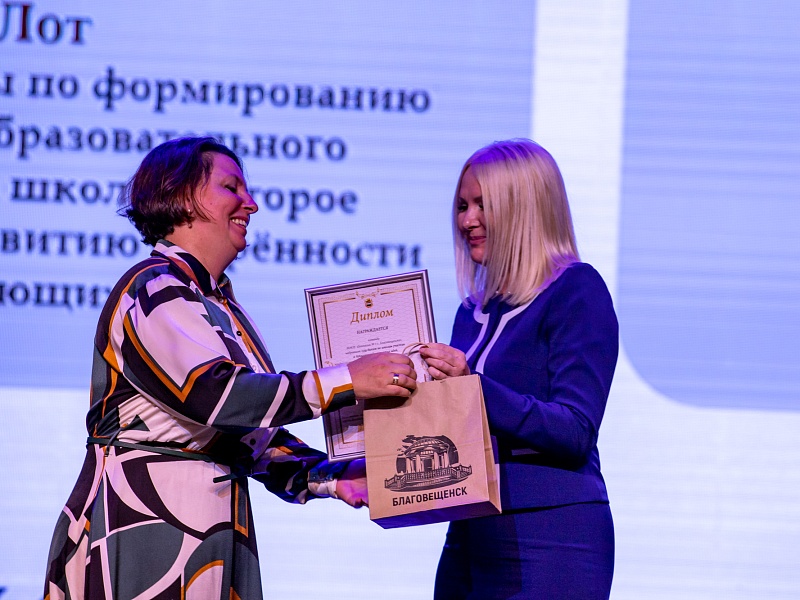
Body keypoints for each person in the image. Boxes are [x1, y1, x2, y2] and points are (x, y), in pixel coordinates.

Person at [43, 137, 417, 599]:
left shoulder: (220, 305)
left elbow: (250, 435)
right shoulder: (155, 287)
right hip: (147, 526)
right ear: (181, 196)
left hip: (211, 526)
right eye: (231, 187)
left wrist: (332, 476)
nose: (251, 204)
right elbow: (218, 397)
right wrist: (347, 380)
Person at [420, 139, 618, 599]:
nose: (466, 220)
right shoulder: (470, 312)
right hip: (471, 533)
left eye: (483, 205)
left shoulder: (576, 290)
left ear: (523, 209)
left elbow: (575, 430)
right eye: (463, 206)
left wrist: (472, 388)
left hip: (553, 534)